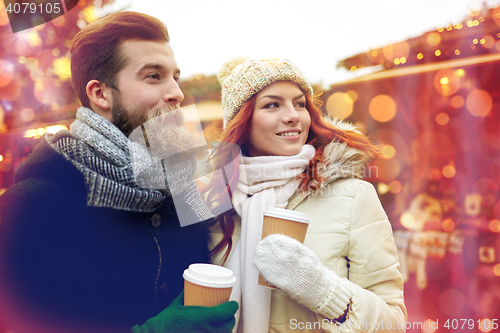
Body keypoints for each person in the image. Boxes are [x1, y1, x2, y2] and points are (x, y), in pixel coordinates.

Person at [0, 11, 237, 333]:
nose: (177, 94)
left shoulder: (182, 188)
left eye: (175, 77)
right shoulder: (30, 206)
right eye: (153, 76)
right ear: (100, 94)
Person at [206, 57, 407, 332]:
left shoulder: (353, 196)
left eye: (299, 103)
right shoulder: (214, 199)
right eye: (272, 104)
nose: (293, 115)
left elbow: (394, 324)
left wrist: (323, 290)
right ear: (243, 120)